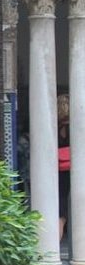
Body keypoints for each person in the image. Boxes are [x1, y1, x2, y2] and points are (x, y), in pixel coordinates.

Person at [59, 93, 71, 242]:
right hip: (71, 170)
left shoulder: (55, 126)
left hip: (58, 171)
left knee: (60, 210)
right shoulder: (73, 126)